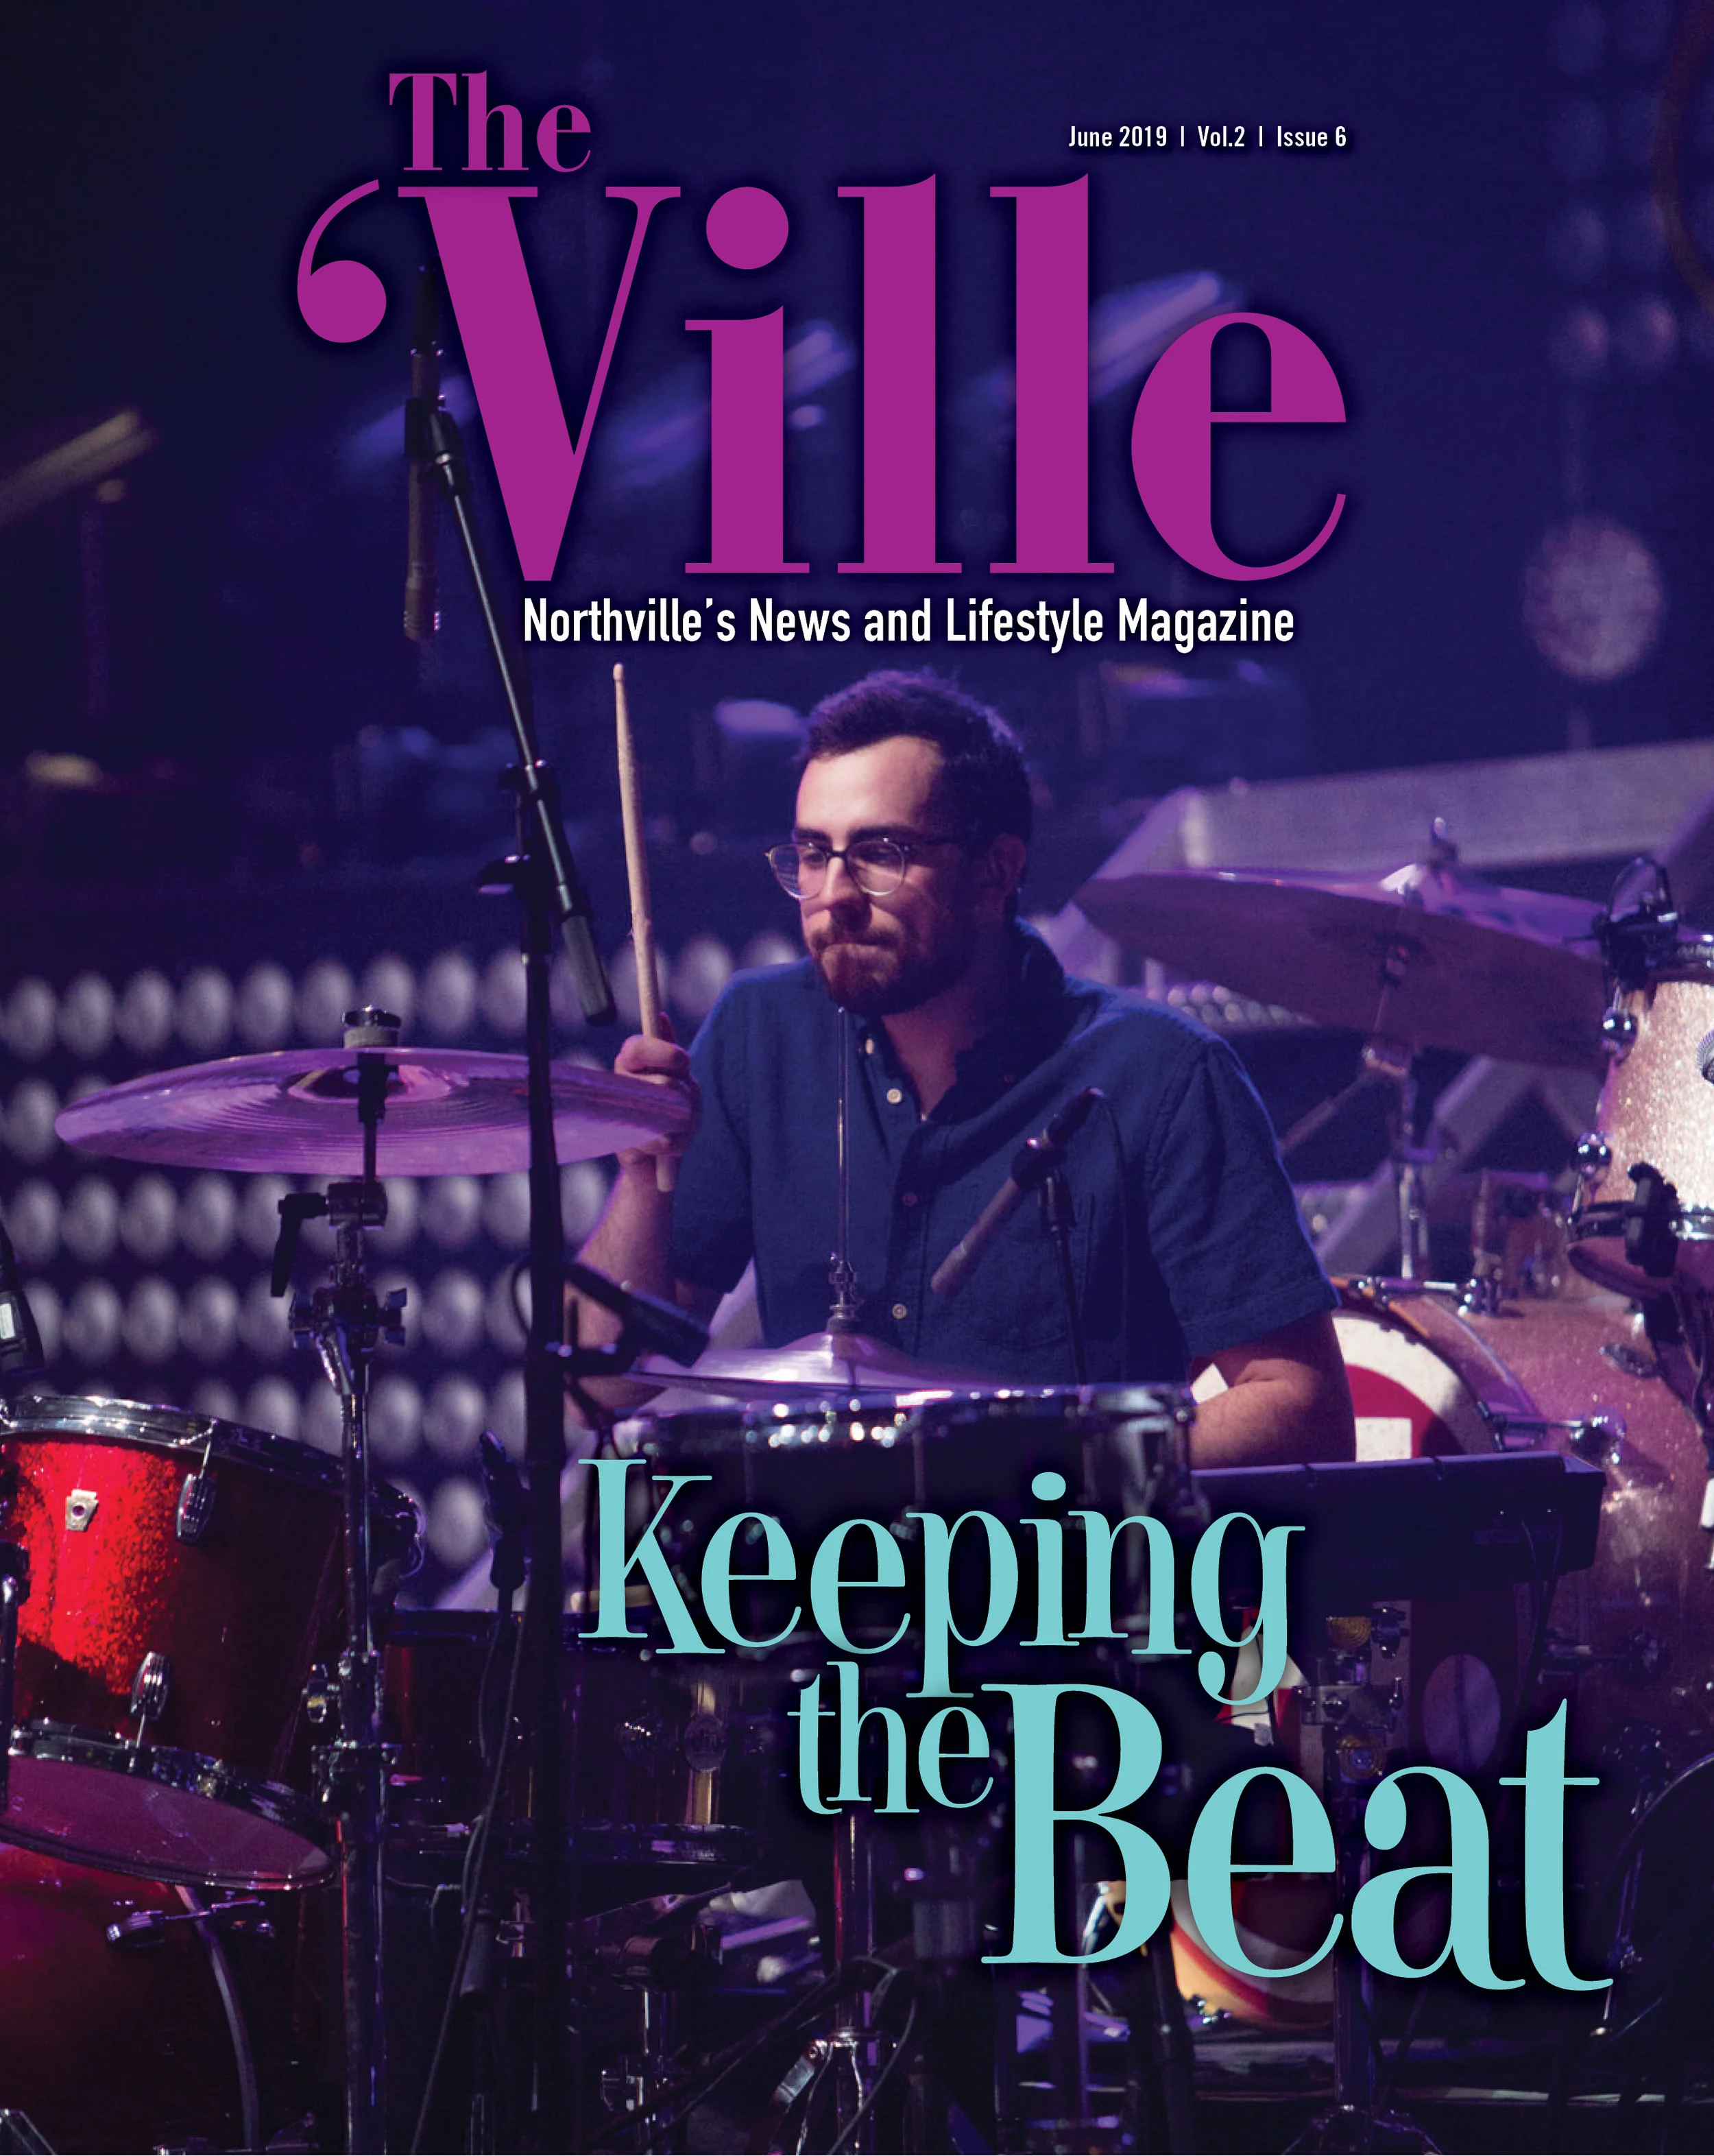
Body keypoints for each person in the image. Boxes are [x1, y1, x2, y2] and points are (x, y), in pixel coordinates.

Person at [577, 670, 1354, 1467]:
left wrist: (1033, 1474)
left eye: (878, 854)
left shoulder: (1159, 1072)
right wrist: (641, 1169)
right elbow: (603, 1384)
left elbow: (1302, 1407)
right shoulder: (757, 1033)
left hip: (1066, 1545)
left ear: (995, 871)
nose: (832, 895)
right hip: (833, 1547)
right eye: (812, 854)